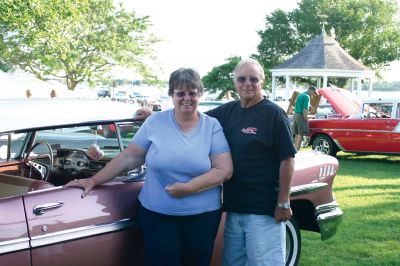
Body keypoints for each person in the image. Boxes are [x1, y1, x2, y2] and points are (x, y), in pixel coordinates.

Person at [135, 59, 297, 265]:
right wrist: (154, 116)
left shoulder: (274, 114)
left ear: (262, 81)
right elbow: (188, 115)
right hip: (234, 207)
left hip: (263, 209)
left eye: (253, 79)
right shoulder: (227, 112)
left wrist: (283, 202)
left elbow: (287, 159)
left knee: (264, 262)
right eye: (242, 79)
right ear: (235, 82)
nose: (247, 83)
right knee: (232, 262)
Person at [66, 68, 233, 266]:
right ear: (171, 95)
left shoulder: (211, 126)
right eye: (180, 93)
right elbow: (129, 157)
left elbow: (224, 170)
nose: (186, 98)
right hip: (158, 215)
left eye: (192, 92)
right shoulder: (155, 121)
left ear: (200, 95)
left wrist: (189, 188)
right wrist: (93, 180)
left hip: (202, 217)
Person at [293, 85, 317, 150]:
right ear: (311, 91)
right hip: (301, 115)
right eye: (314, 93)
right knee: (301, 134)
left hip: (295, 115)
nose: (314, 95)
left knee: (297, 134)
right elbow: (305, 110)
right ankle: (297, 150)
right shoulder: (307, 97)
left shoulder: (300, 95)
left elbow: (301, 105)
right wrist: (306, 119)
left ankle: (294, 149)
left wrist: (311, 108)